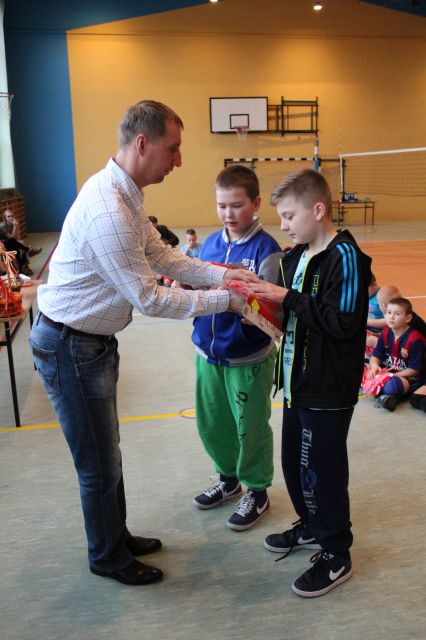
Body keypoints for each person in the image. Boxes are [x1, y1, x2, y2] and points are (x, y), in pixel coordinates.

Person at [29, 100, 257, 587]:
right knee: (98, 463)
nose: (179, 160)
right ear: (141, 143)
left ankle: (116, 536)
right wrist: (228, 299)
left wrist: (223, 274)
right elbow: (150, 298)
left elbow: (163, 255)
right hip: (70, 347)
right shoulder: (109, 209)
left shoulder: (126, 194)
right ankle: (107, 556)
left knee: (106, 453)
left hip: (89, 343)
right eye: (172, 149)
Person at [245, 168, 372, 598]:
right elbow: (292, 317)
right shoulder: (295, 257)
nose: (283, 226)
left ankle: (337, 553)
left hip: (328, 389)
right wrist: (256, 304)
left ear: (318, 210)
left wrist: (288, 297)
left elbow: (343, 322)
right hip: (297, 384)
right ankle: (314, 527)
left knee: (321, 471)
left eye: (289, 215)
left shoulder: (346, 256)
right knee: (295, 467)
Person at [191, 164, 282, 530]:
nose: (228, 213)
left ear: (256, 203)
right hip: (207, 353)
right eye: (222, 205)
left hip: (248, 358)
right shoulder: (210, 244)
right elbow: (199, 287)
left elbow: (274, 309)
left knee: (250, 427)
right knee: (213, 423)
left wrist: (255, 312)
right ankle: (228, 479)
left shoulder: (267, 249)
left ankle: (257, 490)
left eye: (237, 205)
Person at [366, 297, 425, 412]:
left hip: (408, 377)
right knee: (362, 368)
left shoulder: (414, 339)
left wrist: (391, 375)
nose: (391, 317)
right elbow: (376, 356)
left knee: (393, 385)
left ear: (408, 318)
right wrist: (374, 367)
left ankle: (387, 394)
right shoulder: (386, 332)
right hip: (388, 371)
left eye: (397, 314)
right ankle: (386, 395)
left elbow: (414, 370)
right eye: (389, 312)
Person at [0, 209, 35, 276]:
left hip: (11, 244)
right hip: (3, 245)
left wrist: (17, 226)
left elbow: (18, 238)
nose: (11, 218)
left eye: (12, 216)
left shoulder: (13, 224)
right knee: (15, 243)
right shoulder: (2, 227)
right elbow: (12, 238)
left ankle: (23, 267)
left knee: (19, 244)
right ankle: (28, 250)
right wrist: (15, 226)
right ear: (5, 218)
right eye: (8, 216)